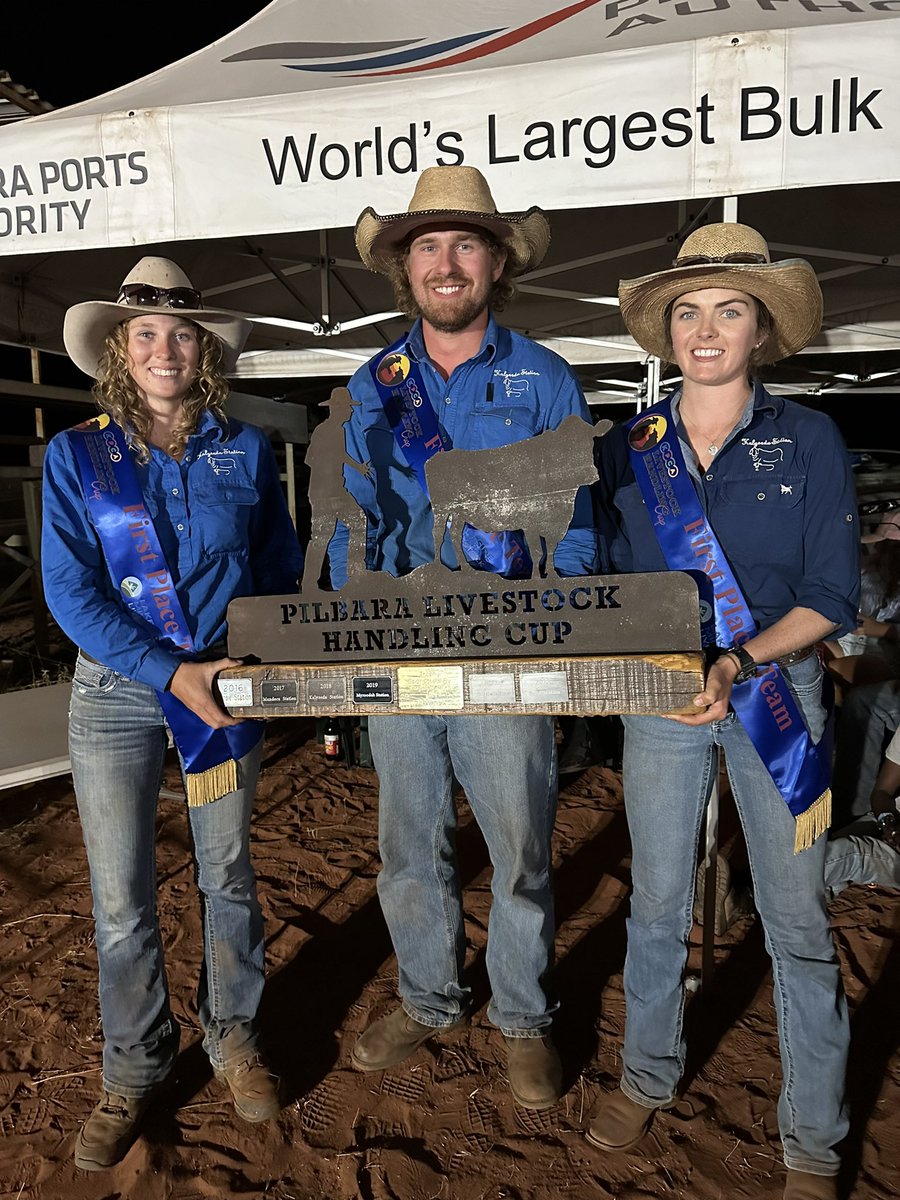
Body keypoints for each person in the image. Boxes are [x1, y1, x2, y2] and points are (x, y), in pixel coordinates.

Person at [590, 223, 859, 1200]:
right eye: (689, 311)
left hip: (776, 691)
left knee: (795, 919)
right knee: (656, 903)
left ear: (760, 329)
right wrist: (659, 669)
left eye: (729, 310)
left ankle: (814, 1143)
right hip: (662, 698)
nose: (707, 329)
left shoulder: (813, 437)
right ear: (667, 331)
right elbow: (605, 586)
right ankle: (647, 1077)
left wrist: (738, 657)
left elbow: (836, 595)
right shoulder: (625, 449)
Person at [329, 165, 598, 1109]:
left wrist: (565, 626)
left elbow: (576, 516)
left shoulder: (546, 374)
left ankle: (522, 1013)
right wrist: (339, 620)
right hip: (400, 653)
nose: (446, 263)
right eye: (428, 248)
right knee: (409, 847)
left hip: (510, 650)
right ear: (406, 271)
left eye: (465, 245)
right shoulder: (373, 383)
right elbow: (350, 515)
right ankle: (432, 998)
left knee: (519, 844)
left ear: (495, 263)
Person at [41, 258, 303, 1170]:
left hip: (224, 691)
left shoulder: (250, 449)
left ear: (204, 349)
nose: (164, 347)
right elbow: (70, 592)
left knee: (227, 873)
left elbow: (276, 566)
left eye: (182, 333)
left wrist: (263, 670)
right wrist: (167, 670)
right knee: (121, 899)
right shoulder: (76, 455)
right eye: (145, 332)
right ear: (120, 347)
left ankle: (233, 1039)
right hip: (116, 696)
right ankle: (133, 1066)